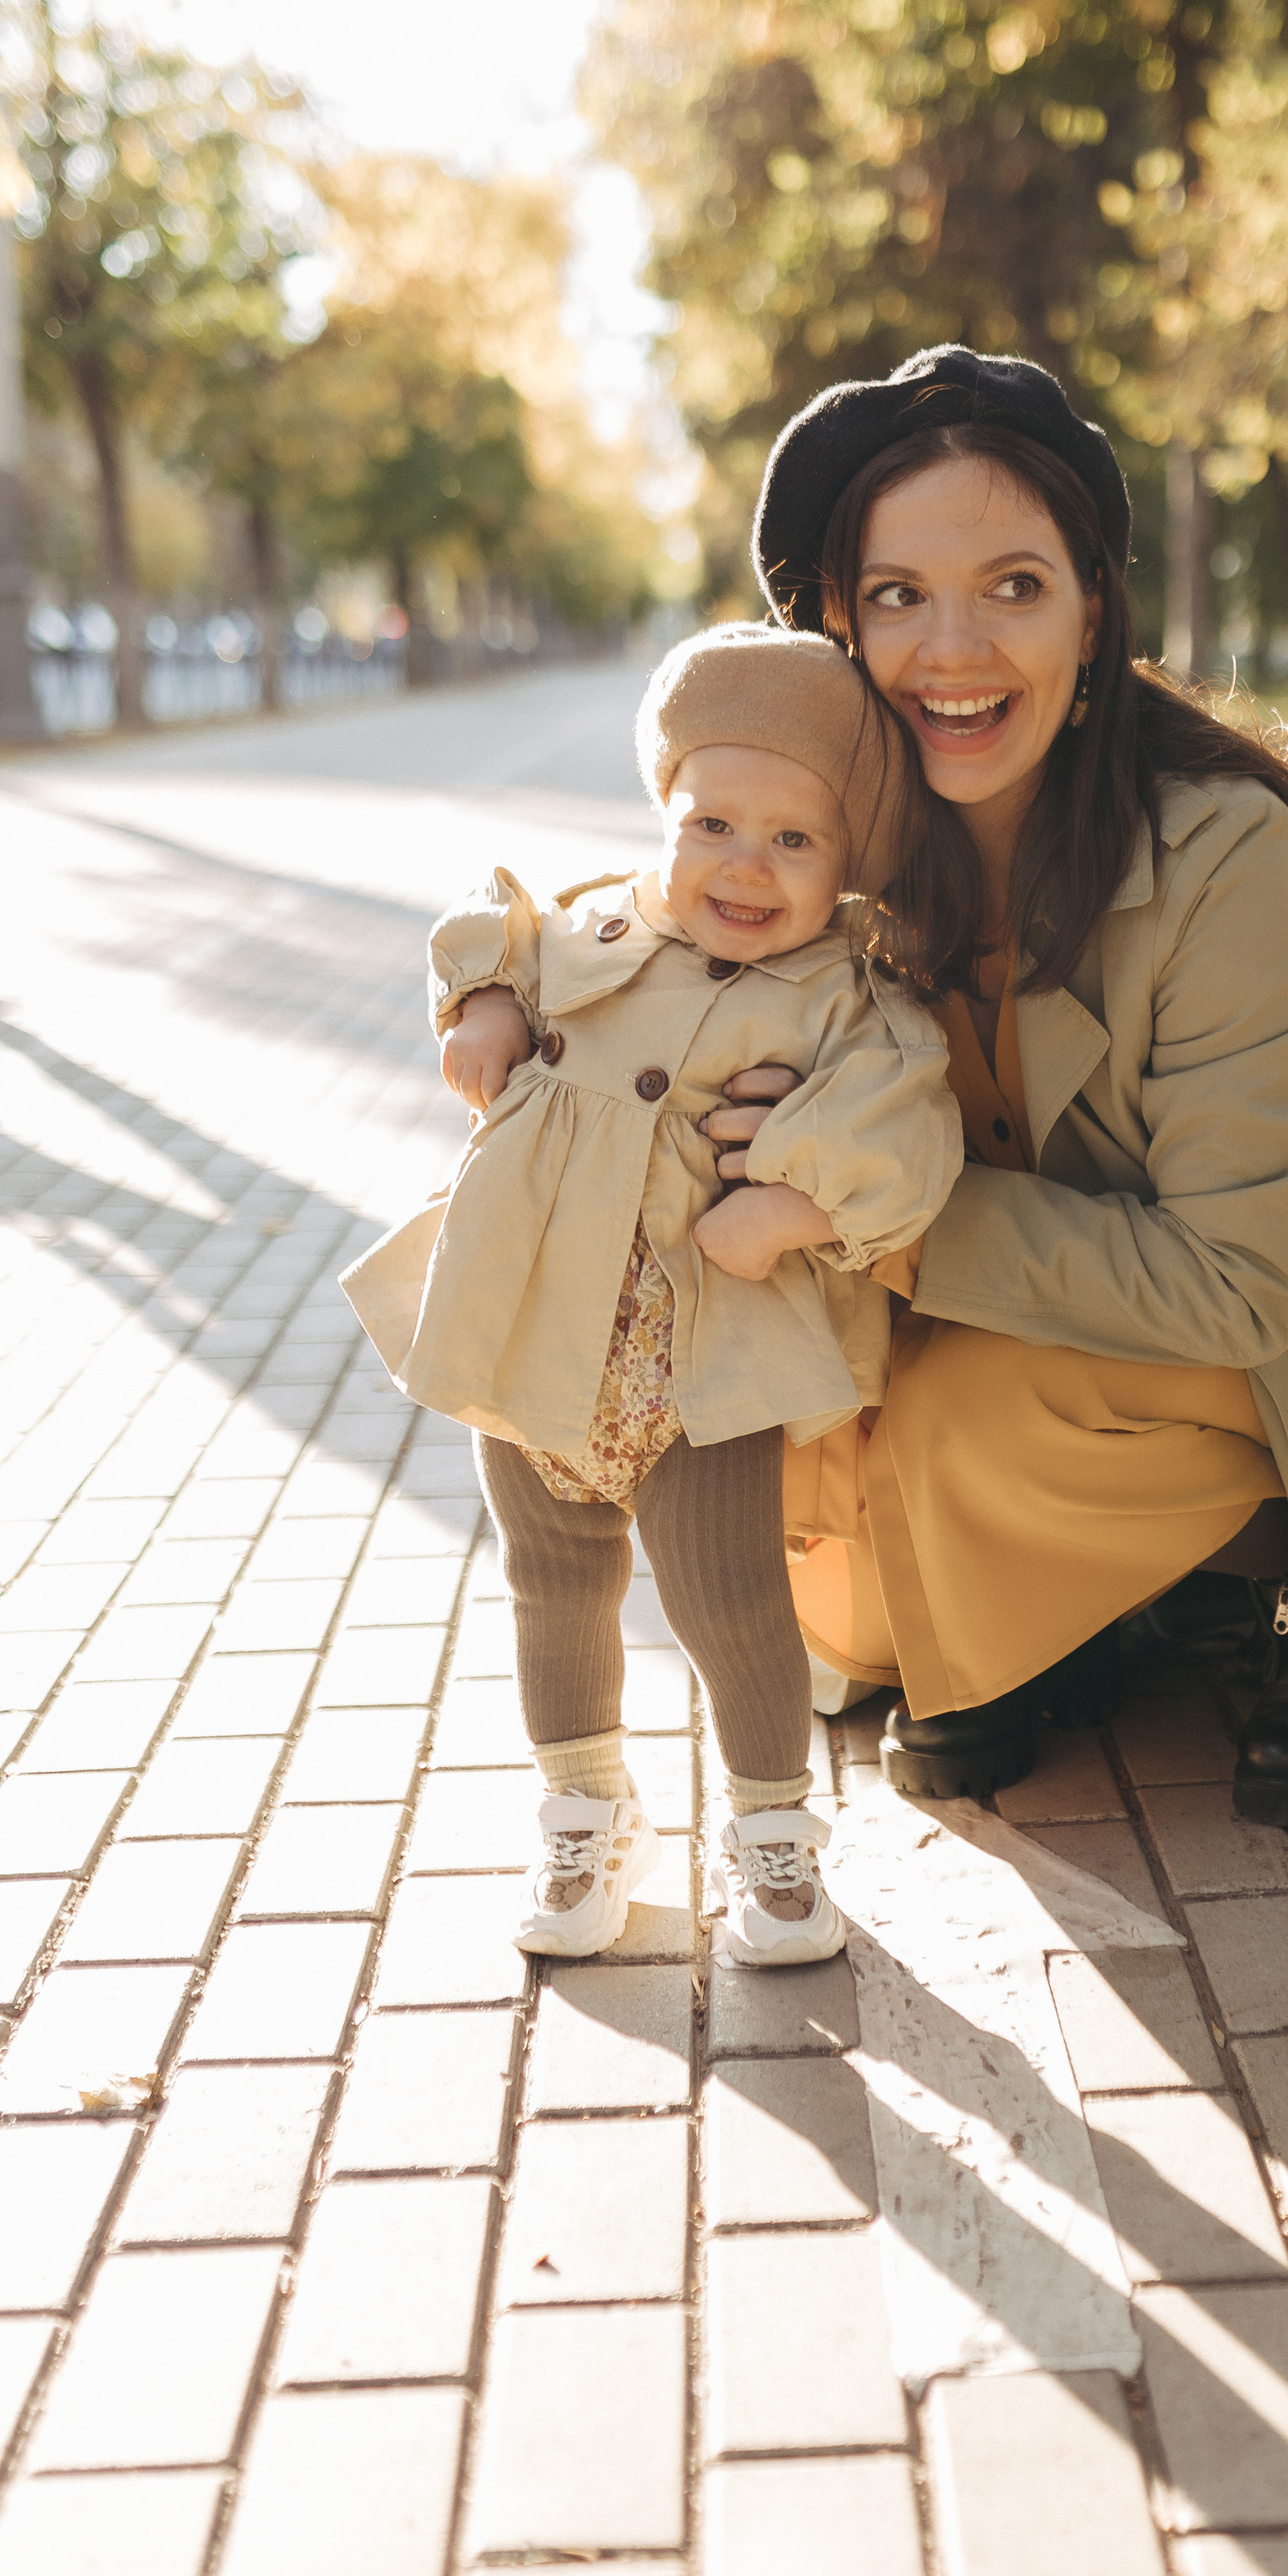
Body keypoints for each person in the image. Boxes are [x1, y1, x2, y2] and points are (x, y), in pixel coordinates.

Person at [706, 346, 1288, 1823]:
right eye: (898, 595)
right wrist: (508, 999)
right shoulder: (840, 855)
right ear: (840, 624)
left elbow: (1238, 1283)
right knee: (796, 1493)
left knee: (953, 1428)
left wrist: (872, 1217)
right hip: (1065, 1324)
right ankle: (1096, 1603)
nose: (953, 651)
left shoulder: (1225, 861)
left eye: (1014, 587)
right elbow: (642, 930)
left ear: (1093, 612)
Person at [341, 625, 962, 1964]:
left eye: (794, 840)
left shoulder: (843, 996)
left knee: (730, 1597)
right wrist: (486, 1008)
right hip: (531, 1321)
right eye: (713, 824)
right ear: (665, 814)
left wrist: (792, 1205)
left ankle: (774, 1832)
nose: (745, 864)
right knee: (552, 1579)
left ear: (849, 860)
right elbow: (498, 934)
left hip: (704, 1358)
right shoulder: (594, 928)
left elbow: (904, 1119)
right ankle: (584, 1811)